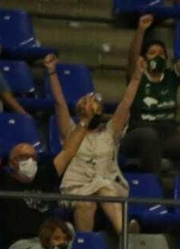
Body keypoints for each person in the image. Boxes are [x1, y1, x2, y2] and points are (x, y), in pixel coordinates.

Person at [0, 64, 71, 249]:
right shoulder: (3, 179)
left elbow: (69, 151)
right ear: (11, 162)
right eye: (22, 157)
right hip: (20, 246)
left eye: (32, 157)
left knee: (68, 235)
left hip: (48, 242)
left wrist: (85, 123)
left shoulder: (45, 175)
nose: (29, 160)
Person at [52, 59, 142, 236]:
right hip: (76, 189)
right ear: (80, 111)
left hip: (106, 186)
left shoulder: (110, 133)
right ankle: (85, 246)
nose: (92, 106)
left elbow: (125, 103)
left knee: (104, 188)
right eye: (87, 103)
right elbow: (60, 104)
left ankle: (125, 236)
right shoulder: (71, 132)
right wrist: (52, 73)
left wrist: (137, 76)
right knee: (86, 203)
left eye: (95, 105)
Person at [121, 14, 180, 177]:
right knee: (149, 136)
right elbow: (132, 56)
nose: (158, 56)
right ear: (144, 59)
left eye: (161, 53)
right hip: (138, 134)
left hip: (167, 135)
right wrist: (140, 30)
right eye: (152, 53)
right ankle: (154, 188)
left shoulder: (171, 77)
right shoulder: (137, 76)